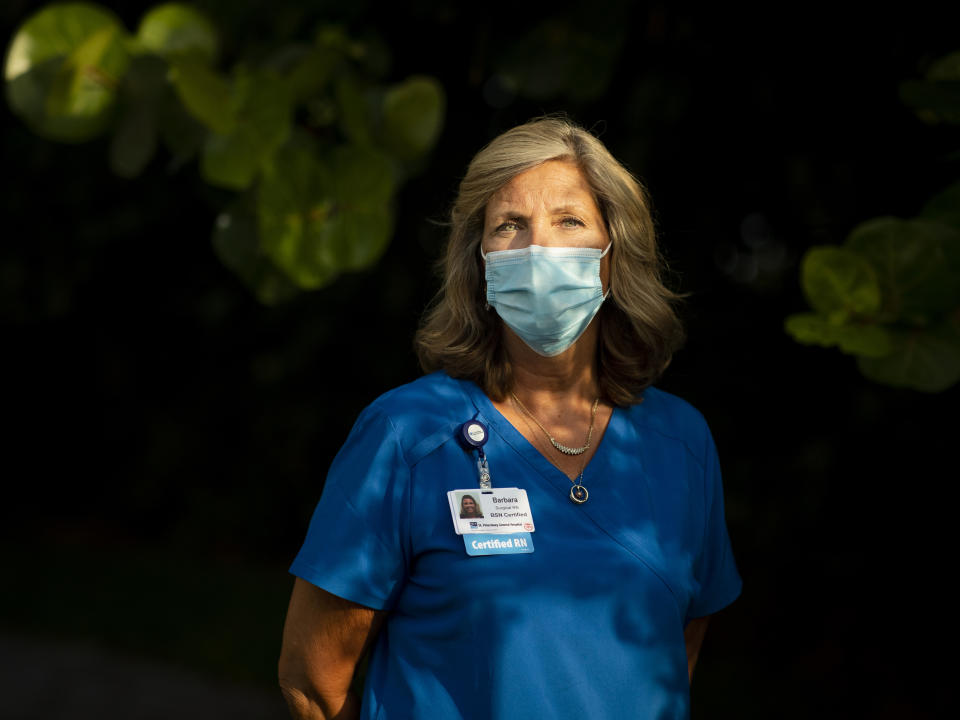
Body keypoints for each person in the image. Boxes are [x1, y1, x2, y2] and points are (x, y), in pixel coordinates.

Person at [278, 116, 741, 720]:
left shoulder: (681, 442)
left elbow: (671, 657)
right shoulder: (407, 434)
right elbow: (313, 683)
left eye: (569, 221)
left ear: (612, 253)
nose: (538, 248)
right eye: (509, 226)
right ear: (479, 259)